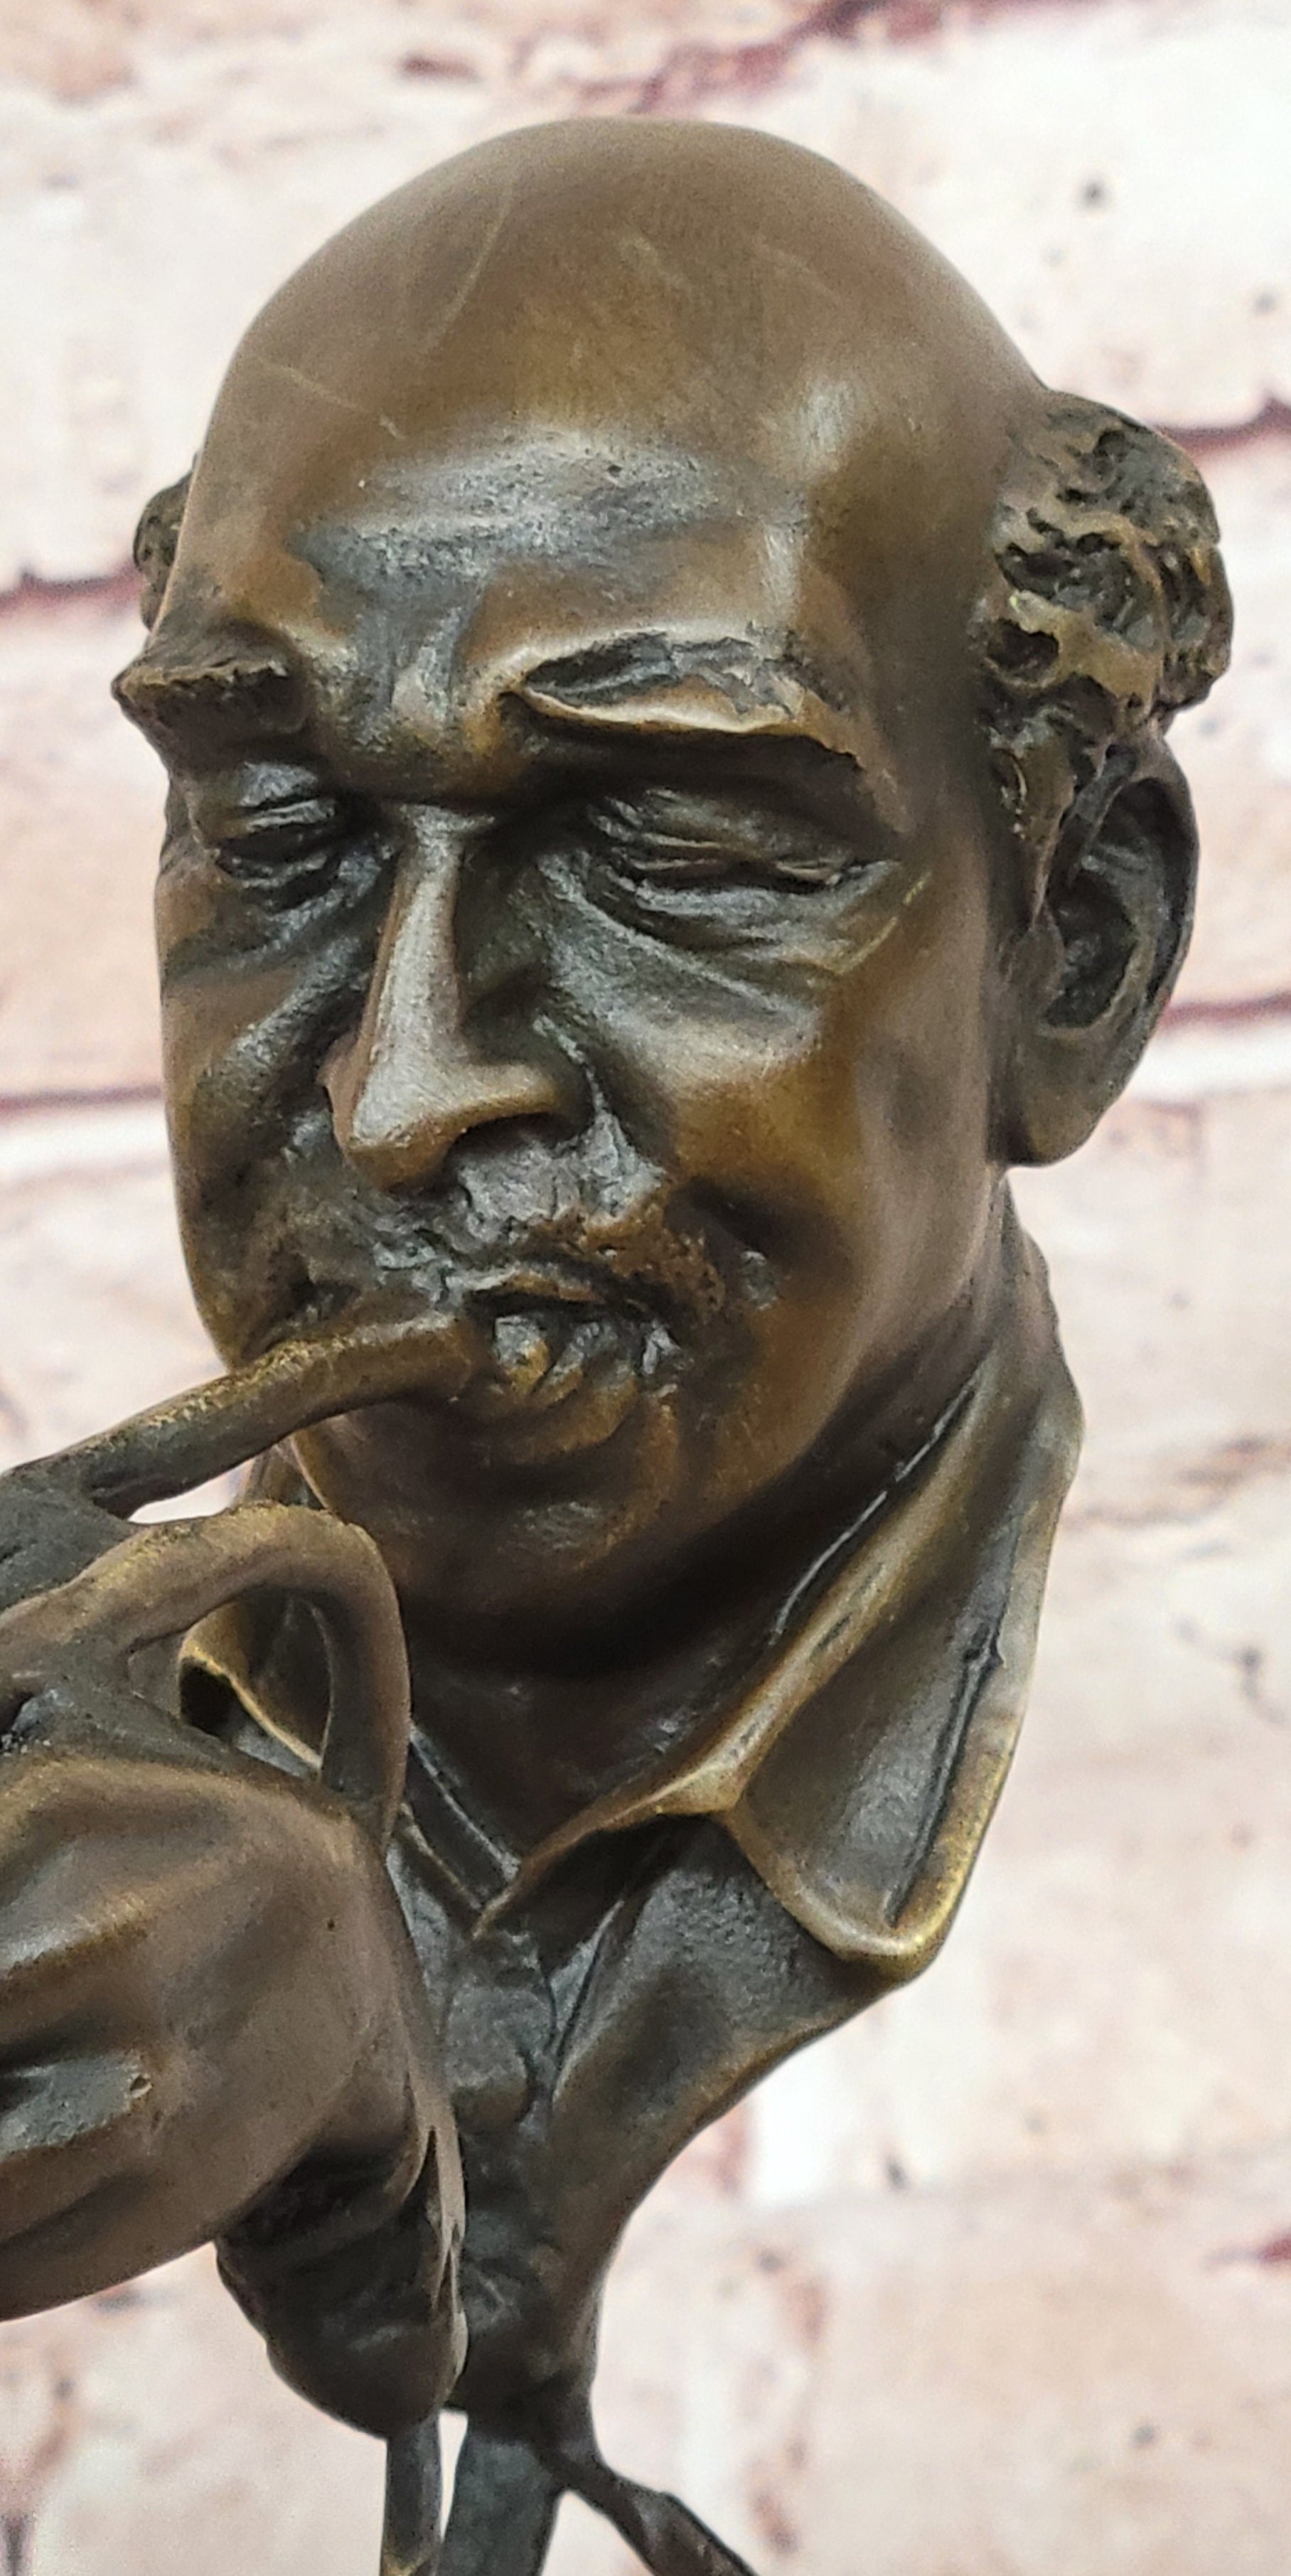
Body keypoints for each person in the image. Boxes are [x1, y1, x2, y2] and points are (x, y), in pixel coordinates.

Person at [0, 119, 1231, 2574]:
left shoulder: (1218, 1866)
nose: (397, 1087)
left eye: (664, 852)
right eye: (278, 839)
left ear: (1071, 954)